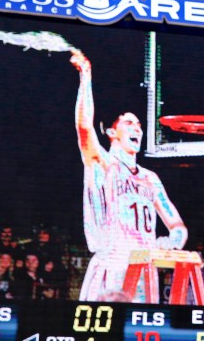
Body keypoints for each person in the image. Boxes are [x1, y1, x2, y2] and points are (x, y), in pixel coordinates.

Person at [71, 50, 188, 303]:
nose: (137, 128)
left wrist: (173, 241)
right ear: (112, 132)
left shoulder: (151, 178)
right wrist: (86, 78)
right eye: (129, 123)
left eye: (139, 125)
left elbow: (177, 225)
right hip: (111, 264)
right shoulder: (102, 162)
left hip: (143, 267)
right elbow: (83, 127)